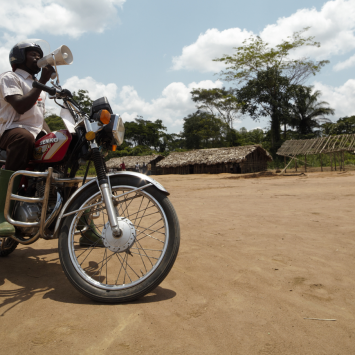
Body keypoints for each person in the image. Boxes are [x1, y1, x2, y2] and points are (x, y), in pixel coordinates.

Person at [0, 40, 55, 237]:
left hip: (32, 131)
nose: (38, 58)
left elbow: (38, 120)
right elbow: (21, 106)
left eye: (39, 55)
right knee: (23, 138)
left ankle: (64, 212)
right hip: (10, 131)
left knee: (62, 143)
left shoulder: (34, 83)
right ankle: (2, 212)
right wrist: (42, 83)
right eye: (33, 54)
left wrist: (53, 137)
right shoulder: (10, 77)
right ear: (19, 58)